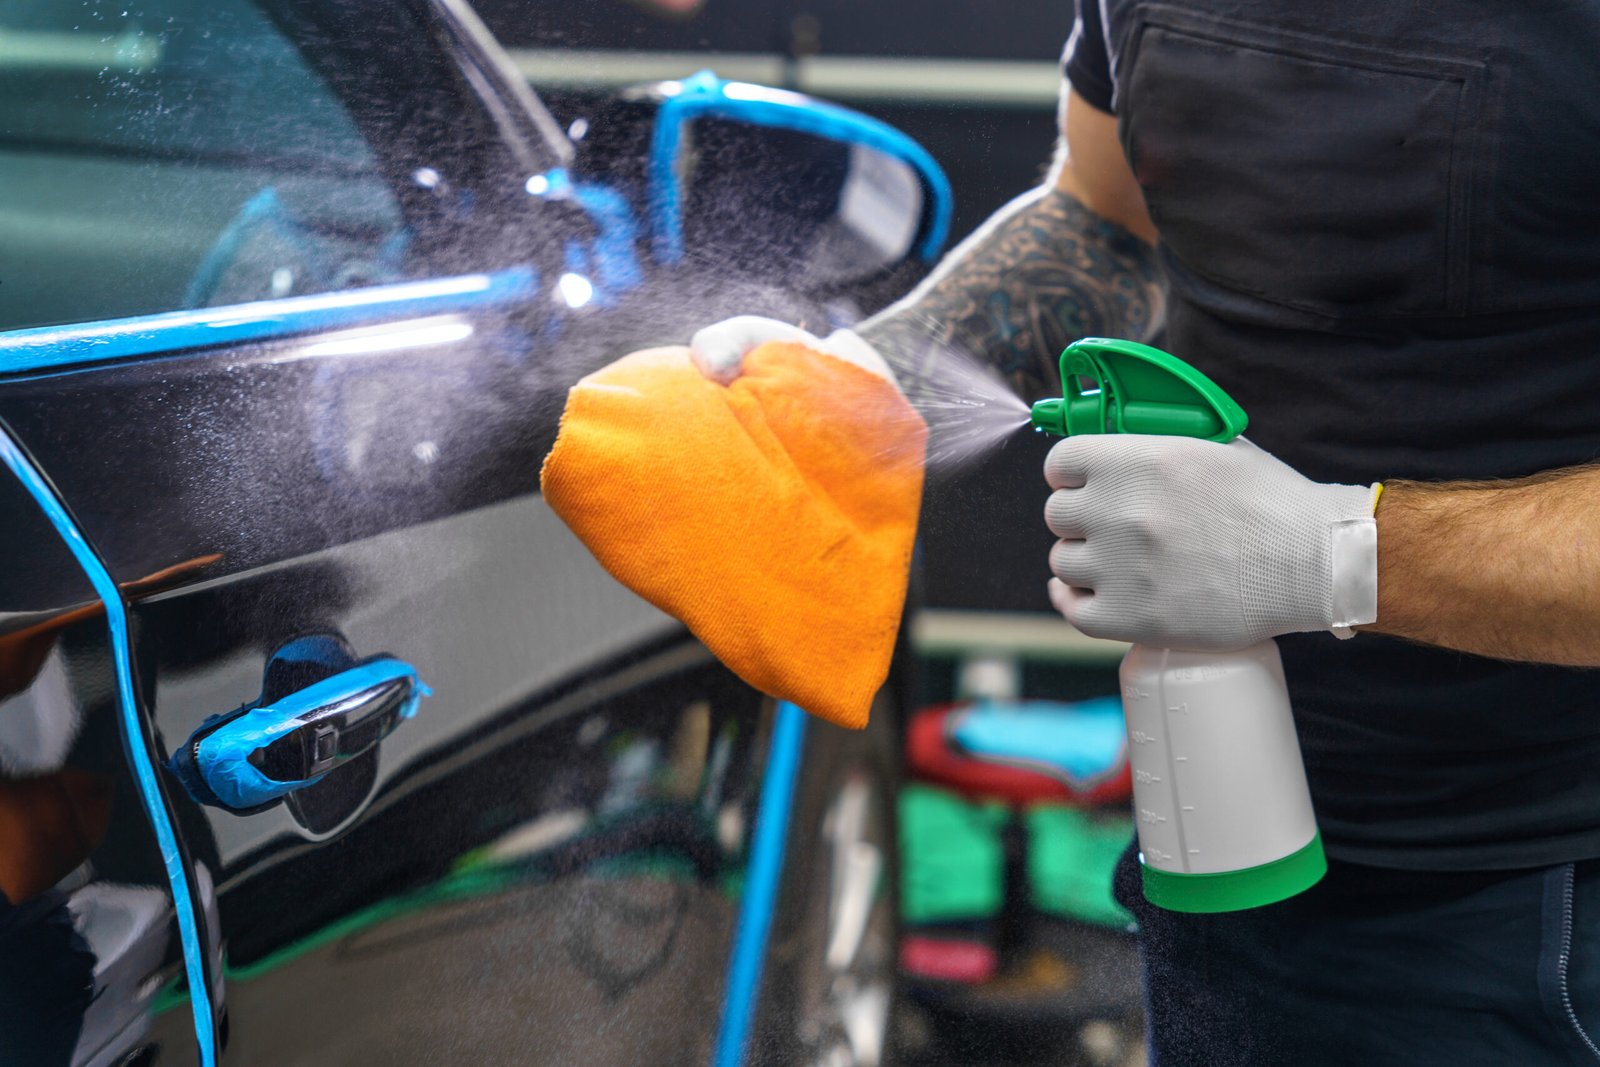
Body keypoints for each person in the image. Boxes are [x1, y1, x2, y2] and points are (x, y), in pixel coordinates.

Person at [686, 2, 1600, 1062]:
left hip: (1548, 895)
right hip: (1221, 842)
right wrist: (878, 377)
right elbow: (1104, 215)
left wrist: (1337, 552)